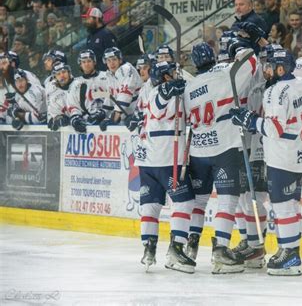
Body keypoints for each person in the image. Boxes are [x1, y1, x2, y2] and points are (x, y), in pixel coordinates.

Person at [229, 48, 302, 276]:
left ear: (281, 68)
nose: (266, 70)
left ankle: (290, 255)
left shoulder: (276, 91)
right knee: (292, 204)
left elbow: (273, 129)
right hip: (301, 153)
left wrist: (249, 119)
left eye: (270, 66)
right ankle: (290, 250)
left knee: (283, 205)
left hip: (282, 155)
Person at [182, 42, 257, 274]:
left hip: (198, 150)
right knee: (227, 200)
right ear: (214, 57)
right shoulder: (226, 74)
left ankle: (190, 248)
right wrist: (241, 47)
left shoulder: (188, 86)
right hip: (225, 146)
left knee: (199, 201)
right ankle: (221, 251)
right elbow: (253, 62)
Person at [126, 59, 197, 273]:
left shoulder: (162, 92)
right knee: (185, 201)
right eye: (172, 74)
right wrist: (168, 88)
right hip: (165, 158)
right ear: (165, 77)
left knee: (152, 204)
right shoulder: (159, 92)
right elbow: (158, 106)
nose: (177, 76)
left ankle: (149, 248)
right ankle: (176, 249)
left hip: (148, 158)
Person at [67, 49, 111, 133]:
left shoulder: (107, 76)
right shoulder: (75, 84)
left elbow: (113, 96)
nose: (86, 64)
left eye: (89, 61)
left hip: (108, 123)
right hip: (88, 124)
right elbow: (73, 105)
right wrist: (75, 119)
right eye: (83, 62)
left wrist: (104, 113)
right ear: (80, 64)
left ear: (94, 62)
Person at [99, 46, 142, 130]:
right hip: (126, 117)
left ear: (120, 60)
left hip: (138, 114)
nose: (111, 63)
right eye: (108, 60)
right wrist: (103, 115)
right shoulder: (109, 75)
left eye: (114, 59)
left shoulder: (126, 69)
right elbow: (110, 98)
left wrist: (116, 114)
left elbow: (125, 93)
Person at [46, 62, 73, 131]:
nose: (62, 76)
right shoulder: (53, 95)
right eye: (58, 74)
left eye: (64, 72)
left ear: (69, 73)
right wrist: (57, 118)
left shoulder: (80, 85)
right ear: (55, 78)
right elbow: (54, 114)